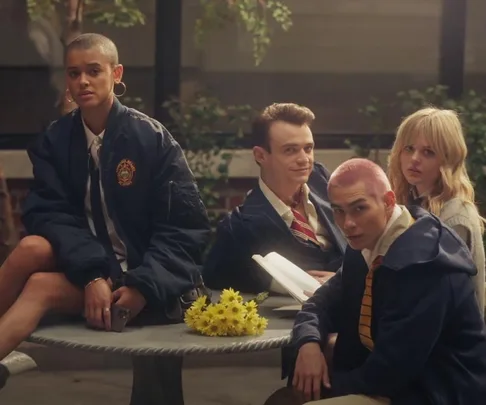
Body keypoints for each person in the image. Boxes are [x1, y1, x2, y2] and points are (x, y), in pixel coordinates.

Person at [0, 33, 210, 387]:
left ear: (116, 73)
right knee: (31, 248)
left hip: (147, 281)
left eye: (93, 71)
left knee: (40, 286)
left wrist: (142, 287)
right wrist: (92, 274)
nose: (82, 81)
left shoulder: (151, 139)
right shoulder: (57, 139)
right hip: (94, 264)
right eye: (73, 73)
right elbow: (48, 214)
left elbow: (185, 231)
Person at [266, 158, 486, 405]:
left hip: (437, 391)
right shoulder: (366, 243)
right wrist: (308, 343)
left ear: (389, 202)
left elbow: (390, 372)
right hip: (391, 381)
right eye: (338, 210)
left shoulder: (424, 265)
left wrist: (324, 384)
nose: (347, 223)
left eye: (359, 208)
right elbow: (321, 303)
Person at [203, 103, 346, 293]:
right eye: (290, 150)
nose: (304, 159)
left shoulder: (320, 179)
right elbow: (214, 278)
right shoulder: (239, 227)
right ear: (260, 155)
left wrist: (344, 278)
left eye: (308, 148)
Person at [388, 107, 485, 315]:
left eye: (428, 152)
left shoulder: (455, 215)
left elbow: (435, 302)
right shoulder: (412, 203)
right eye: (409, 148)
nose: (414, 158)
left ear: (447, 159)